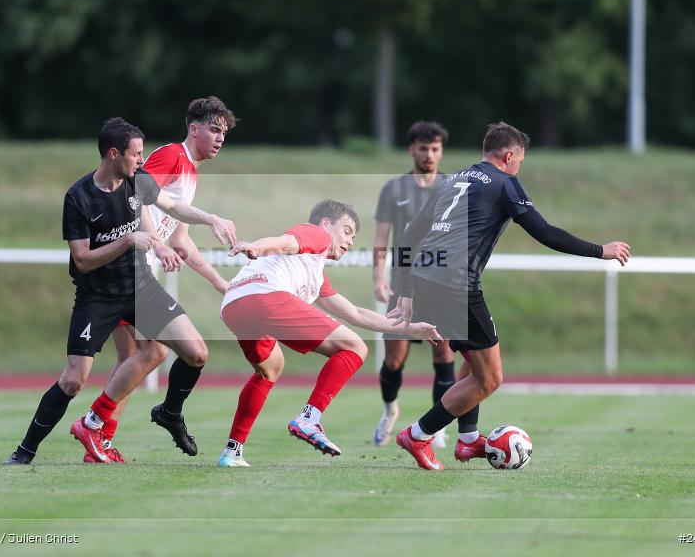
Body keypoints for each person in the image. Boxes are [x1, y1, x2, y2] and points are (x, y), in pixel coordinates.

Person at [391, 122, 630, 470]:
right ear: (508, 156)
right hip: (455, 284)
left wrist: (405, 291)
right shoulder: (505, 182)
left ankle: (469, 441)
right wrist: (600, 250)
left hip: (427, 279)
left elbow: (410, 234)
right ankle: (418, 434)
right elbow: (545, 232)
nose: (520, 168)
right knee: (491, 378)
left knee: (475, 363)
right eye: (520, 161)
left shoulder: (452, 179)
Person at [4, 117, 236, 465]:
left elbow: (169, 209)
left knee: (196, 353)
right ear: (114, 154)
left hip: (140, 286)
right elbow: (82, 260)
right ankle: (24, 452)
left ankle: (106, 423)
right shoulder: (79, 198)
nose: (143, 161)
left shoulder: (137, 181)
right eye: (136, 154)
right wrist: (128, 241)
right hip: (98, 296)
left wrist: (200, 224)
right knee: (73, 379)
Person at [216, 200, 441, 467]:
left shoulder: (312, 271)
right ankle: (309, 419)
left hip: (234, 305)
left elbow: (355, 314)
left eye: (353, 237)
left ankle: (232, 452)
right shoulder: (317, 235)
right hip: (265, 297)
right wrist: (256, 246)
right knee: (355, 348)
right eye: (346, 231)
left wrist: (410, 328)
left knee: (270, 369)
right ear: (325, 224)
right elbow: (286, 240)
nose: (350, 241)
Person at [87, 97, 237, 463]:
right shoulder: (172, 156)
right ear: (194, 128)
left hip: (138, 268)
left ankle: (99, 440)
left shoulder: (192, 174)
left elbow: (180, 240)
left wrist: (222, 284)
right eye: (214, 130)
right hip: (128, 265)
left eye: (224, 133)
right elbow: (135, 195)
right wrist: (156, 241)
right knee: (156, 353)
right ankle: (95, 428)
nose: (219, 139)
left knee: (137, 356)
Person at [373, 121, 464, 452]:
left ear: (441, 151)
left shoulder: (454, 187)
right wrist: (378, 276)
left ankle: (436, 427)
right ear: (411, 149)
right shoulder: (394, 190)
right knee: (394, 359)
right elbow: (382, 238)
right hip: (403, 281)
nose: (429, 154)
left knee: (443, 354)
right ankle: (389, 410)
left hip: (440, 284)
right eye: (423, 148)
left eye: (435, 148)